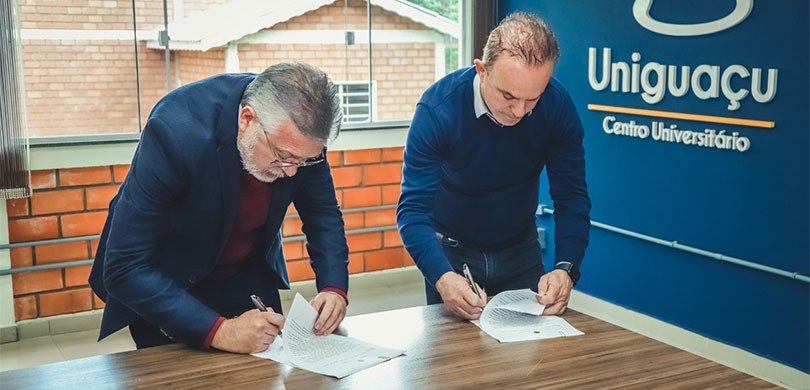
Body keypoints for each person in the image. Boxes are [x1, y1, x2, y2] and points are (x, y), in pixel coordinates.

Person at [89, 63, 350, 354]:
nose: (292, 172)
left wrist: (333, 288)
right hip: (169, 282)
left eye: (303, 162)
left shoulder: (300, 141)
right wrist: (220, 331)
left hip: (246, 277)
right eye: (283, 157)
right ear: (247, 120)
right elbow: (126, 266)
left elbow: (322, 214)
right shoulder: (176, 130)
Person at [397, 12, 591, 320]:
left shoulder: (557, 107)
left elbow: (571, 197)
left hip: (521, 252)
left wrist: (566, 268)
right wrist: (442, 277)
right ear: (482, 70)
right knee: (452, 362)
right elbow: (412, 211)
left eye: (532, 100)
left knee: (530, 360)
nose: (519, 111)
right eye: (509, 96)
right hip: (451, 255)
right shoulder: (438, 110)